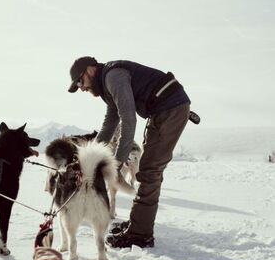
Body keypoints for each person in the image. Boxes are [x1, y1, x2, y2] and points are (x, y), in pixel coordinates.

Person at [68, 57, 191, 248]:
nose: (82, 88)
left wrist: (116, 165)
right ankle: (138, 224)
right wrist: (88, 158)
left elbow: (128, 120)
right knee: (149, 170)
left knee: (150, 171)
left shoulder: (113, 77)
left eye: (79, 82)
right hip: (163, 110)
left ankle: (140, 235)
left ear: (90, 70)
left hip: (171, 109)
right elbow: (110, 125)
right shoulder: (107, 88)